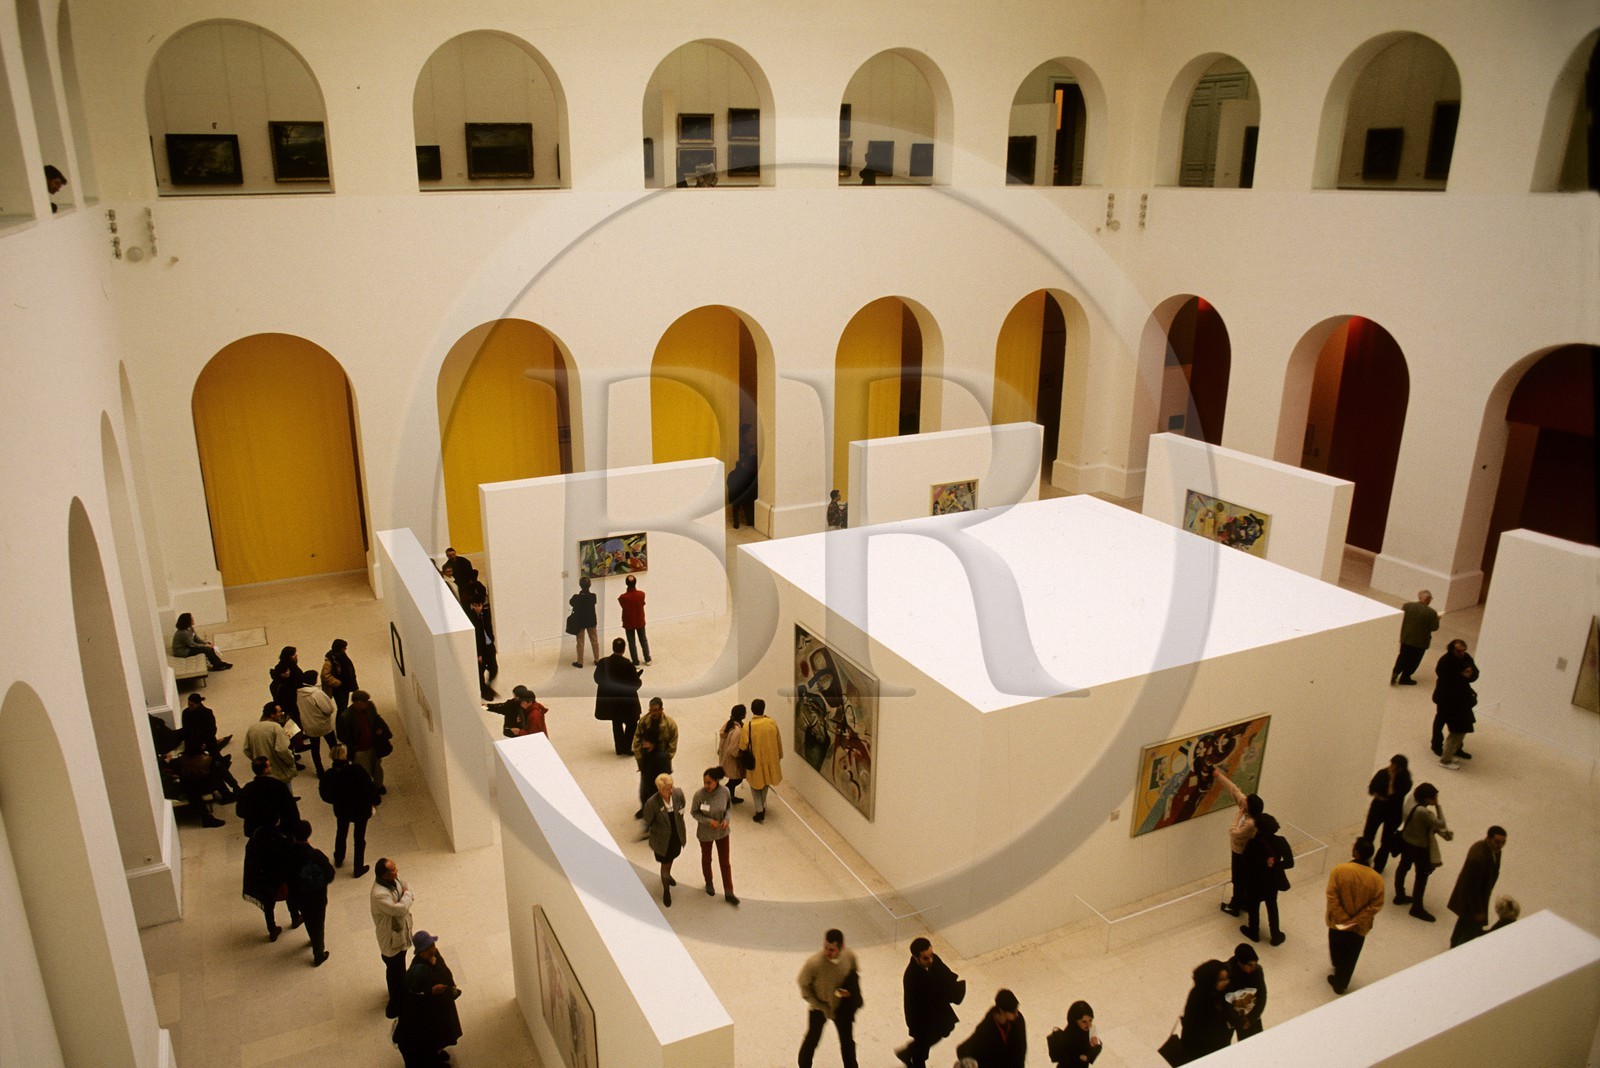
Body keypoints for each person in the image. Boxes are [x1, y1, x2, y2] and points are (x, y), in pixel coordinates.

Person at [1325, 837, 1386, 994]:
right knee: (1351, 955)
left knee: (1336, 946)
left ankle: (1337, 966)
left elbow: (1332, 896)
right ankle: (1341, 982)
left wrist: (1344, 919)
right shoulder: (1377, 879)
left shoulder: (1340, 870)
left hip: (1338, 922)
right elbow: (1376, 905)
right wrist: (1355, 921)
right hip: (1359, 927)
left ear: (1355, 852)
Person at [396, 931, 462, 1067]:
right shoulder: (418, 970)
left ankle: (437, 1050)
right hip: (434, 1008)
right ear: (421, 952)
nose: (432, 949)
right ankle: (434, 1055)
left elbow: (445, 972)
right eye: (428, 949)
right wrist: (432, 991)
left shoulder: (435, 955)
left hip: (442, 1002)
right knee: (435, 1035)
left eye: (432, 945)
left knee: (445, 1030)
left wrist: (451, 988)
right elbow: (421, 990)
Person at [797, 928, 861, 1068]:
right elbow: (803, 986)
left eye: (831, 950)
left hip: (841, 1008)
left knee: (847, 1044)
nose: (827, 952)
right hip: (819, 1008)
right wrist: (820, 1005)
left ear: (841, 947)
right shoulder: (813, 964)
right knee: (812, 1040)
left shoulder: (849, 956)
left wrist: (847, 992)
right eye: (825, 947)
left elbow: (853, 975)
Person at [896, 937, 963, 1067]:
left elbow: (945, 975)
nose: (931, 960)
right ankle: (912, 1055)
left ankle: (909, 1052)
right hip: (922, 1018)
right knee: (921, 1052)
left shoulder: (934, 960)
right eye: (926, 958)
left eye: (931, 955)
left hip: (936, 1010)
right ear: (916, 958)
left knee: (945, 1029)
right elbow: (912, 1006)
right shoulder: (911, 977)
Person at [1394, 782, 1453, 921]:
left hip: (1406, 840)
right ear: (1426, 798)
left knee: (1403, 866)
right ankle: (1417, 907)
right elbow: (1441, 823)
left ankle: (1399, 894)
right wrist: (1438, 806)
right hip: (1420, 847)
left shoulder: (1411, 801)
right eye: (1433, 798)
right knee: (1422, 875)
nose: (1434, 800)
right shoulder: (1423, 812)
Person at [320, 744, 379, 877]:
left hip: (342, 809)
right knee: (359, 838)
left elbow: (325, 794)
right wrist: (376, 801)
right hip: (360, 808)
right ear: (344, 755)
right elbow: (369, 787)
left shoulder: (330, 774)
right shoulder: (356, 770)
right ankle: (358, 868)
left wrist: (336, 800)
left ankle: (339, 857)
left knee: (341, 832)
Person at [1447, 825, 1508, 947]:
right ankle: (1458, 948)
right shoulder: (1478, 857)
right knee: (1470, 927)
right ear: (1488, 838)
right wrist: (1478, 910)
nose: (1500, 845)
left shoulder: (1493, 851)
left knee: (1464, 922)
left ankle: (1455, 943)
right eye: (1497, 842)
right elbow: (1472, 888)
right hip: (1472, 899)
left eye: (1503, 842)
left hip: (1477, 895)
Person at [286, 820, 334, 966]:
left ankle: (312, 937)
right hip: (316, 897)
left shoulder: (288, 854)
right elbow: (330, 874)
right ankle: (318, 954)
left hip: (297, 896)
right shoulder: (316, 855)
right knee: (318, 924)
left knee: (307, 918)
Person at [1214, 768, 1262, 916]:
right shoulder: (1246, 807)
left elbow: (1233, 832)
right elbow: (1234, 790)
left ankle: (1235, 905)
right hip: (1240, 850)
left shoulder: (1250, 824)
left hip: (1241, 852)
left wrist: (1237, 816)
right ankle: (1244, 901)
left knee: (1238, 878)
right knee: (1242, 878)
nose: (1244, 799)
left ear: (1249, 807)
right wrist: (1219, 776)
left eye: (1246, 801)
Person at [371, 858, 415, 1019]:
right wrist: (407, 895)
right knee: (394, 970)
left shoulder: (395, 881)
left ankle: (401, 992)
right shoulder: (379, 894)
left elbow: (406, 888)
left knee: (399, 968)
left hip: (399, 933)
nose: (397, 870)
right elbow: (400, 908)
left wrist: (406, 894)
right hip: (391, 938)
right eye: (393, 869)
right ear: (384, 875)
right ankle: (396, 1001)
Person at [241, 818, 298, 941]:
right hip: (280, 876)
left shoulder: (257, 836)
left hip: (264, 877)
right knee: (290, 896)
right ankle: (295, 917)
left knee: (268, 905)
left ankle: (272, 929)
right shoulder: (281, 838)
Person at [1238, 812, 1290, 946]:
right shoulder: (1281, 841)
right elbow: (1290, 863)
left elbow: (1245, 862)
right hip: (1272, 881)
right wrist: (1276, 864)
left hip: (1255, 881)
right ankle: (1275, 934)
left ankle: (1253, 932)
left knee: (1253, 905)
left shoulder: (1253, 843)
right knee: (1272, 905)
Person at [692, 766, 738, 905]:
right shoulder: (699, 795)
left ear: (716, 781)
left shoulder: (725, 792)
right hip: (705, 834)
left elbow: (729, 807)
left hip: (722, 833)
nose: (706, 785)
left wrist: (727, 819)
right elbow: (694, 812)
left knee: (725, 862)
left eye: (709, 782)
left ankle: (729, 892)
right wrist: (708, 821)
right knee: (707, 859)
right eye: (705, 782)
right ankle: (709, 882)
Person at [642, 772, 687, 906]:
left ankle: (667, 876)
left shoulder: (678, 794)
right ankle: (666, 890)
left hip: (676, 835)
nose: (671, 791)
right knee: (665, 864)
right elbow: (648, 819)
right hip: (662, 841)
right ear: (659, 790)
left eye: (672, 787)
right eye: (667, 789)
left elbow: (682, 808)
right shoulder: (652, 803)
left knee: (671, 859)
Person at [593, 638, 643, 755]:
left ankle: (619, 748)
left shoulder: (603, 663)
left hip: (611, 701)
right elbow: (635, 685)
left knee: (617, 723)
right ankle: (626, 747)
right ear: (624, 649)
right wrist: (638, 679)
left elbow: (597, 679)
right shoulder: (628, 665)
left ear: (613, 647)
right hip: (626, 701)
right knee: (632, 723)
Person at [1431, 639, 1479, 762]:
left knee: (1460, 725)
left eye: (1464, 650)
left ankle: (1457, 748)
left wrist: (1469, 675)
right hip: (1445, 698)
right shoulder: (1445, 661)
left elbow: (1475, 673)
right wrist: (1463, 675)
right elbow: (1445, 678)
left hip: (1460, 698)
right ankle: (1436, 745)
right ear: (1452, 649)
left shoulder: (1466, 657)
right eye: (1459, 651)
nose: (1462, 653)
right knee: (1440, 721)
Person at [955, 988, 1027, 1068]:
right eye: (1013, 1012)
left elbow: (1021, 1051)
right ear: (1001, 1011)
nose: (1017, 1014)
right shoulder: (986, 1028)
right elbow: (963, 1050)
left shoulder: (1018, 1021)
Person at [1365, 754, 1413, 873]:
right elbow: (1371, 789)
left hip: (1393, 812)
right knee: (1368, 834)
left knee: (1386, 841)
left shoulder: (1405, 781)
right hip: (1378, 808)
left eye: (1394, 766)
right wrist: (1380, 796)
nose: (1391, 768)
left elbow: (1394, 795)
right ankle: (1364, 858)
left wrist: (1391, 781)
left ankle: (1378, 866)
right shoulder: (1382, 773)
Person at [337, 689, 391, 794]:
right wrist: (354, 747)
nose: (367, 703)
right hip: (360, 750)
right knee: (363, 772)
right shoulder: (345, 716)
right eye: (364, 701)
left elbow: (376, 719)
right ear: (357, 702)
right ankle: (367, 789)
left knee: (377, 769)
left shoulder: (370, 707)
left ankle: (378, 786)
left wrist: (379, 730)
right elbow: (342, 735)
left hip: (373, 746)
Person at [633, 697, 678, 818]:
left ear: (662, 709)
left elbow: (672, 746)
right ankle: (645, 808)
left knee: (660, 789)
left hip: (660, 762)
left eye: (656, 710)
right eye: (651, 710)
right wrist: (640, 758)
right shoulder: (643, 722)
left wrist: (664, 760)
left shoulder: (670, 725)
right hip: (646, 761)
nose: (653, 713)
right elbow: (636, 741)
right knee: (644, 789)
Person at [1179, 960, 1234, 1059]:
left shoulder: (1224, 993)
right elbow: (1191, 1027)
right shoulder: (1198, 996)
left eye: (1227, 979)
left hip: (1219, 1046)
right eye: (1221, 980)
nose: (1226, 982)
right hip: (1200, 1048)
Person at [235, 755, 300, 836]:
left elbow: (240, 812)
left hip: (256, 831)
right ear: (265, 770)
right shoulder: (278, 785)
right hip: (278, 829)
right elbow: (291, 808)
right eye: (270, 765)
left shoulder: (247, 788)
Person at [742, 697, 783, 823]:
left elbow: (743, 746)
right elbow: (778, 740)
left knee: (754, 785)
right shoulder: (771, 722)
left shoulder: (748, 726)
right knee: (766, 782)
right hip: (770, 759)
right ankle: (762, 805)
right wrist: (779, 755)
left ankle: (759, 809)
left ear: (752, 710)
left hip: (756, 760)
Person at [1391, 590, 1440, 685]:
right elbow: (1434, 627)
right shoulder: (1431, 613)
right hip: (1420, 641)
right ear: (1428, 599)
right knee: (1414, 660)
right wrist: (1437, 619)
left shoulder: (1407, 606)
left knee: (1403, 656)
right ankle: (1405, 677)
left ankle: (1395, 672)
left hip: (1407, 637)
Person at [296, 668, 337, 776]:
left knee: (315, 749)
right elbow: (328, 709)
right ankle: (338, 765)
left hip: (309, 725)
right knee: (333, 745)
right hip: (323, 725)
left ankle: (319, 770)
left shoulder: (299, 693)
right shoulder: (317, 693)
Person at [244, 702, 298, 784]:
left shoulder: (252, 728)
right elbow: (282, 750)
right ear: (272, 714)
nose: (282, 714)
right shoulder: (276, 728)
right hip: (279, 771)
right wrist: (291, 761)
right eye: (279, 712)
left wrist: (258, 762)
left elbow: (247, 750)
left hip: (263, 773)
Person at [1224, 942, 1266, 1039]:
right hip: (1231, 1018)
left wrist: (1251, 1018)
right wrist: (1238, 1021)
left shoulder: (1257, 971)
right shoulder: (1226, 975)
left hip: (1250, 1014)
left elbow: (1262, 995)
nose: (1253, 967)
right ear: (1239, 962)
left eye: (1255, 964)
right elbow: (1225, 1003)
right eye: (1250, 965)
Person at [1046, 1000, 1100, 1065]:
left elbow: (1097, 1046)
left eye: (1090, 1020)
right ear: (1074, 1021)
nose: (1088, 1025)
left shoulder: (1089, 1031)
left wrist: (1092, 1050)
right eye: (1084, 1022)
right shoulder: (1068, 1036)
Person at [466, 595, 498, 699]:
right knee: (481, 672)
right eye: (475, 606)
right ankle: (484, 690)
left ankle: (488, 687)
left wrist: (492, 642)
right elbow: (475, 637)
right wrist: (478, 654)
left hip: (489, 646)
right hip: (481, 649)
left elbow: (489, 627)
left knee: (494, 668)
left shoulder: (486, 614)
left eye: (479, 605)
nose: (478, 608)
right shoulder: (471, 617)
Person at [718, 704, 748, 804]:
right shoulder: (738, 731)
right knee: (737, 779)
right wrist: (742, 755)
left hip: (725, 758)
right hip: (732, 760)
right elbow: (733, 750)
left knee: (733, 778)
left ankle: (731, 796)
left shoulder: (729, 724)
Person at [619, 574, 651, 665]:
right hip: (640, 620)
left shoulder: (623, 597)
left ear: (626, 583)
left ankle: (635, 662)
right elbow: (642, 604)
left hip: (629, 622)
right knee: (643, 640)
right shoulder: (641, 594)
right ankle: (647, 658)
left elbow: (623, 606)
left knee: (631, 642)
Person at [321, 637, 358, 713]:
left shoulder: (342, 656)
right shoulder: (330, 660)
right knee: (342, 708)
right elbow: (325, 675)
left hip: (345, 686)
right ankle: (340, 723)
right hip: (338, 689)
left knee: (344, 707)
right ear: (339, 649)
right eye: (344, 648)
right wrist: (337, 683)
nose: (345, 649)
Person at [569, 576, 599, 668]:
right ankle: (597, 659)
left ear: (580, 585)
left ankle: (580, 662)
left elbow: (571, 602)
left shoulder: (576, 597)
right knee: (594, 640)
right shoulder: (593, 596)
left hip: (580, 622)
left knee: (580, 642)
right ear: (590, 585)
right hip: (591, 621)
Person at [269, 646, 301, 724]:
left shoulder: (275, 682)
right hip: (289, 704)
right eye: (293, 655)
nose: (296, 656)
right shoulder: (283, 685)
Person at [727, 448, 757, 528]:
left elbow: (728, 483)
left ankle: (736, 524)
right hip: (744, 496)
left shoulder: (731, 474)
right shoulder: (746, 474)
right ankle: (750, 521)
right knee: (747, 509)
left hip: (734, 496)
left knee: (735, 510)